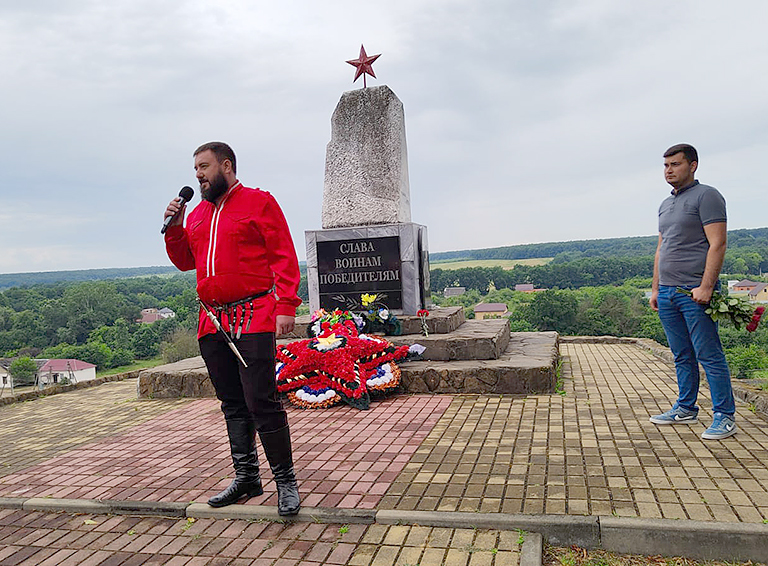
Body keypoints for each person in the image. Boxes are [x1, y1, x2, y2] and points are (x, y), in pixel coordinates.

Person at [163, 141, 302, 514]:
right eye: (195, 169)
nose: (198, 176)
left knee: (262, 402)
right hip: (211, 322)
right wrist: (174, 229)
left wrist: (286, 304)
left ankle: (285, 481)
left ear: (226, 165)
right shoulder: (195, 216)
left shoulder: (259, 202)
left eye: (204, 167)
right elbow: (184, 262)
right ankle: (247, 477)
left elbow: (283, 255)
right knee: (232, 404)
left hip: (254, 315)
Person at [649, 143, 736, 440]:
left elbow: (718, 243)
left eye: (675, 164)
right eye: (665, 166)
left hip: (693, 292)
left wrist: (707, 286)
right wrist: (656, 289)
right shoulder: (665, 204)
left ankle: (724, 415)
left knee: (709, 354)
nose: (669, 170)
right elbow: (662, 249)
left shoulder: (707, 196)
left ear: (693, 165)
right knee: (681, 354)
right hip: (669, 292)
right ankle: (685, 408)